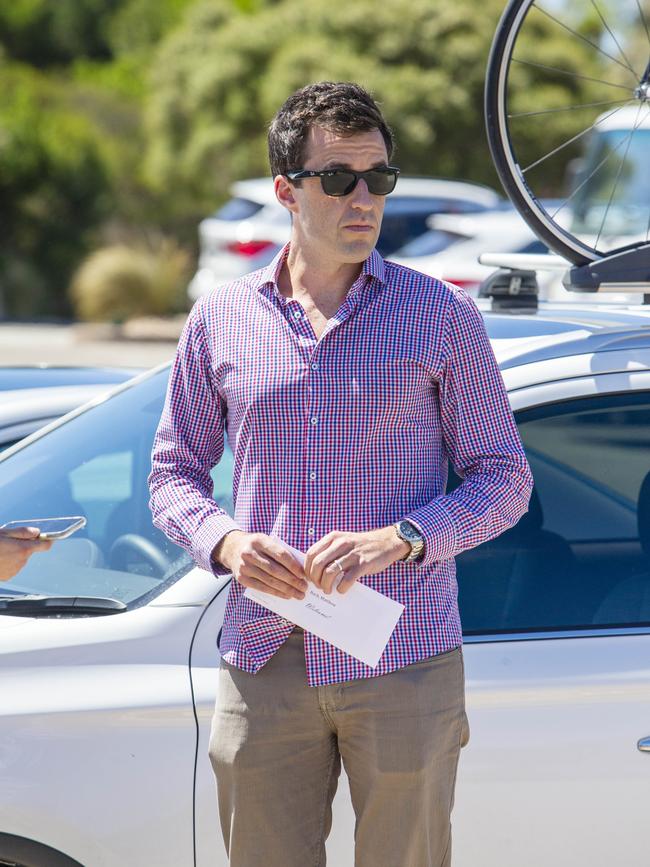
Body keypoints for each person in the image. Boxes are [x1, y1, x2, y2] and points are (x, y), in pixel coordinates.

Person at [149, 81, 534, 866]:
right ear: (287, 190)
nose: (364, 199)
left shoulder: (443, 316)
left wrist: (403, 538)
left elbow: (505, 477)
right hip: (263, 654)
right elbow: (171, 473)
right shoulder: (220, 317)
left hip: (405, 653)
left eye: (379, 179)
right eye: (339, 179)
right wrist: (225, 543)